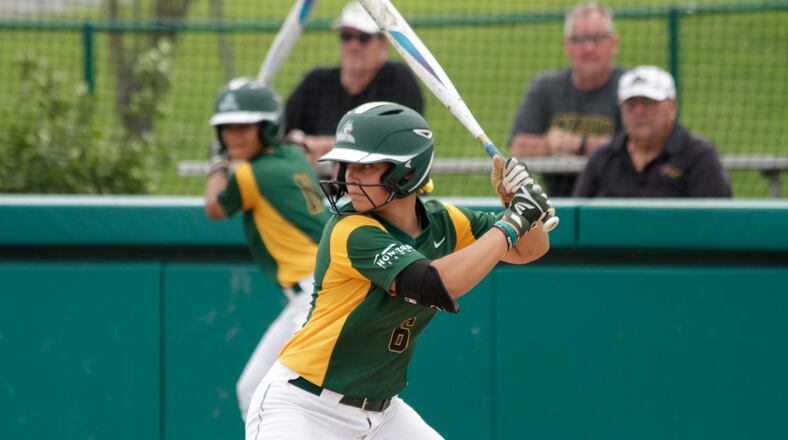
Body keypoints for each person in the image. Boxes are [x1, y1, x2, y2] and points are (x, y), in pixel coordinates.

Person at [244, 102, 555, 439]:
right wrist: (513, 222)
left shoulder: (445, 221)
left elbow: (530, 249)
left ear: (407, 172)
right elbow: (436, 283)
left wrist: (519, 205)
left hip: (382, 414)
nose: (350, 178)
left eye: (366, 166)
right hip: (303, 407)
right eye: (347, 165)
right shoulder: (350, 230)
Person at [203, 78, 331, 419]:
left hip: (318, 293)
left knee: (301, 399)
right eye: (227, 128)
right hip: (317, 290)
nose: (234, 136)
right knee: (254, 390)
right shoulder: (292, 155)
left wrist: (218, 164)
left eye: (245, 126)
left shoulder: (251, 176)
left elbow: (214, 207)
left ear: (268, 126)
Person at [284, 1, 424, 164]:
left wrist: (320, 145)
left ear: (384, 43)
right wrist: (298, 145)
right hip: (316, 183)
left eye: (363, 38)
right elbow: (283, 135)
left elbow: (399, 140)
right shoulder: (316, 82)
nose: (353, 45)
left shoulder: (398, 81)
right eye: (346, 36)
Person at [509, 2, 625, 197]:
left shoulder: (629, 89)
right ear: (567, 45)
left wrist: (576, 144)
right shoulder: (546, 87)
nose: (588, 48)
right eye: (579, 39)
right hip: (558, 205)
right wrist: (550, 144)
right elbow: (519, 147)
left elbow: (636, 150)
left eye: (597, 39)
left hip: (618, 201)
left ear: (613, 44)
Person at [572, 66, 732, 197]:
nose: (639, 111)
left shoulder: (699, 157)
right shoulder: (603, 158)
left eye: (649, 102)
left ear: (672, 107)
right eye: (630, 103)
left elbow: (717, 225)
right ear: (621, 109)